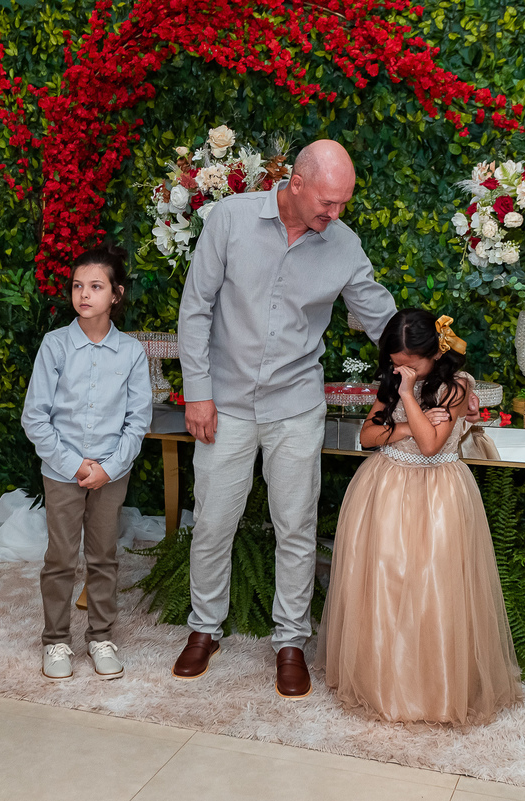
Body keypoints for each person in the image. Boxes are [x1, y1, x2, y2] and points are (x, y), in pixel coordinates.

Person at [173, 139, 400, 698]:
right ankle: (204, 629)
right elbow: (196, 307)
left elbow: (383, 320)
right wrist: (197, 393)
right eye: (327, 201)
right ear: (296, 184)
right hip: (223, 403)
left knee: (296, 528)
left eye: (343, 203)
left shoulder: (343, 244)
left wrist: (440, 371)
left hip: (296, 404)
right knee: (212, 523)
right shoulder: (229, 219)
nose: (335, 213)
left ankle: (291, 641)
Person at [317, 309, 522, 724]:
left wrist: (409, 398)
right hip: (387, 488)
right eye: (396, 364)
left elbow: (432, 447)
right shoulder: (393, 380)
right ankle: (383, 679)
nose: (401, 372)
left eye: (410, 365)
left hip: (439, 495)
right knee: (386, 581)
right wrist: (409, 426)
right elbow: (368, 436)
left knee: (435, 584)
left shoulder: (457, 387)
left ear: (435, 355)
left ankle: (435, 688)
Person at [21, 245, 152, 681]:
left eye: (95, 286)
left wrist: (107, 469)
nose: (84, 294)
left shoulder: (131, 352)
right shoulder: (55, 345)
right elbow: (35, 417)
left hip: (111, 473)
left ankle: (100, 637)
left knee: (103, 556)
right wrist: (77, 466)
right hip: (62, 472)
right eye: (78, 286)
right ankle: (56, 641)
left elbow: (138, 421)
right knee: (60, 557)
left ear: (116, 294)